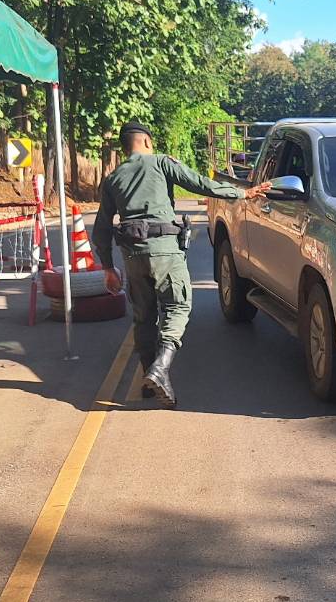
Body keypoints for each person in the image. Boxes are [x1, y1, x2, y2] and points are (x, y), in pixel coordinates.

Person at [92, 122, 270, 406]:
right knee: (177, 307)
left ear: (124, 148)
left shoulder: (113, 178)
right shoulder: (162, 163)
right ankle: (160, 368)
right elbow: (200, 184)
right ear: (147, 141)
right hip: (165, 251)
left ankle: (148, 379)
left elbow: (101, 228)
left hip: (132, 256)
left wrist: (107, 268)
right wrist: (242, 193)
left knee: (144, 317)